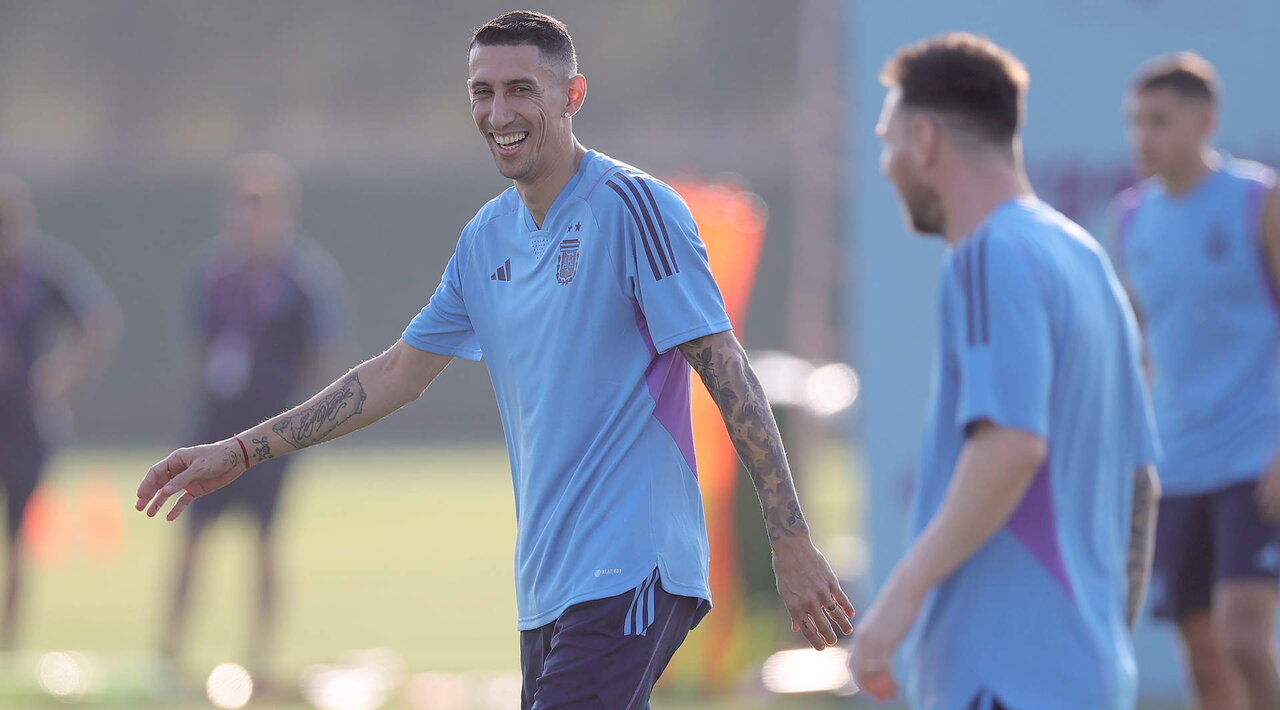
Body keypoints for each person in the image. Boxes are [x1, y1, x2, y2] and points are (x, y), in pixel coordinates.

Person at [135, 11, 853, 708]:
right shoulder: (485, 240)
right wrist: (241, 449)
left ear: (572, 96)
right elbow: (394, 375)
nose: (498, 111)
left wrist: (789, 540)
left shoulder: (636, 208)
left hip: (633, 565)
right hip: (546, 582)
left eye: (520, 90)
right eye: (482, 91)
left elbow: (727, 372)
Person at [849, 33, 1160, 709]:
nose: (886, 163)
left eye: (889, 138)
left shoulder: (989, 254)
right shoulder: (1086, 259)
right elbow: (1142, 483)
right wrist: (1100, 645)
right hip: (1086, 677)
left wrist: (897, 600)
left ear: (926, 139)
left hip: (1004, 678)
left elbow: (1012, 445)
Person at [1112, 53, 1280, 710]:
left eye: (1159, 120)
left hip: (1253, 459)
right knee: (1204, 656)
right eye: (1135, 121)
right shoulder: (1129, 218)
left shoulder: (1259, 201)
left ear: (1205, 122)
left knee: (1243, 635)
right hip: (1177, 464)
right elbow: (1145, 347)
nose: (1142, 136)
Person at [159, 153, 348, 679]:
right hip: (215, 420)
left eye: (260, 205)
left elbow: (323, 351)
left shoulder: (302, 279)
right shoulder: (214, 274)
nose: (249, 216)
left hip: (271, 428)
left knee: (265, 536)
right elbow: (197, 343)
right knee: (192, 532)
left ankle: (259, 653)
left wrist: (284, 400)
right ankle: (168, 651)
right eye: (241, 203)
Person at [0, 173, 121, 651]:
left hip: (25, 422)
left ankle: (6, 646)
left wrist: (62, 377)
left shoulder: (41, 274)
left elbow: (98, 322)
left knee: (16, 541)